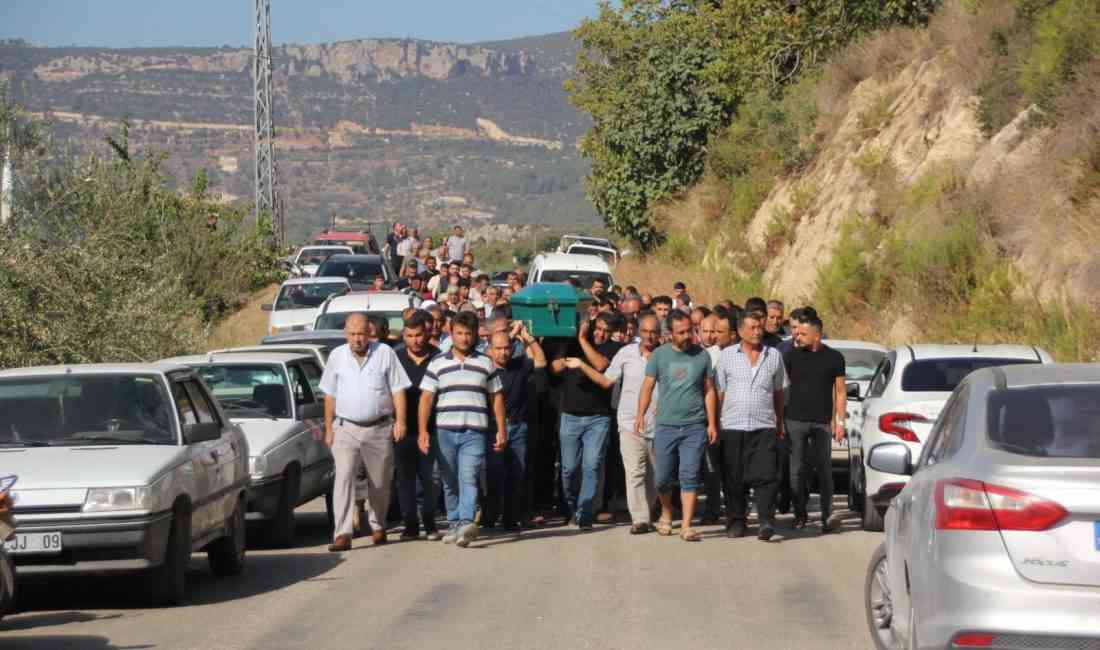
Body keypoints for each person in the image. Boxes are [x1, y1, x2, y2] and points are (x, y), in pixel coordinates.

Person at [320, 313, 411, 552]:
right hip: (345, 428)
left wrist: (400, 420)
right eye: (352, 334)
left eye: (362, 334)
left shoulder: (384, 354)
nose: (358, 339)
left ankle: (378, 524)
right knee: (343, 478)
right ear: (346, 334)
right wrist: (329, 428)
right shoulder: (337, 356)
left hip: (379, 428)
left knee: (380, 481)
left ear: (369, 332)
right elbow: (329, 395)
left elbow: (398, 389)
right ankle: (342, 533)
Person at [565, 313, 660, 534]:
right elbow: (606, 380)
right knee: (635, 471)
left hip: (659, 424)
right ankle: (640, 519)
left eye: (653, 332)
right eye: (645, 332)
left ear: (659, 333)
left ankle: (651, 507)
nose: (649, 336)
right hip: (629, 422)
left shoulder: (665, 355)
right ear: (638, 332)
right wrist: (581, 365)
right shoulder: (626, 353)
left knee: (656, 475)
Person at [418, 311, 507, 548]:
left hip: (474, 431)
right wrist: (422, 431)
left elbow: (496, 397)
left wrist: (501, 428)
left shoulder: (485, 362)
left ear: (475, 335)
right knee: (450, 480)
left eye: (469, 333)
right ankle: (455, 523)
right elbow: (426, 399)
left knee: (468, 476)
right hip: (445, 431)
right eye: (459, 333)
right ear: (451, 334)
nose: (464, 338)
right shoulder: (437, 363)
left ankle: (467, 522)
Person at [636, 310, 718, 542]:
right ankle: (666, 511)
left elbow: (709, 390)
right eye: (681, 332)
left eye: (690, 330)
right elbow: (647, 386)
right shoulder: (660, 356)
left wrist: (711, 423)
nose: (688, 335)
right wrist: (640, 414)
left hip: (694, 426)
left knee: (689, 475)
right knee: (662, 478)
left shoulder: (702, 356)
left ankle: (686, 526)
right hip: (666, 426)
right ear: (670, 333)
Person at [714, 310, 787, 541]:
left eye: (760, 327)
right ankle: (736, 521)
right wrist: (715, 422)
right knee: (733, 476)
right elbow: (719, 392)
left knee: (767, 475)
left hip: (764, 424)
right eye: (752, 328)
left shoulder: (773, 355)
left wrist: (779, 420)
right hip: (733, 425)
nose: (757, 332)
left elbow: (778, 392)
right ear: (740, 331)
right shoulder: (727, 356)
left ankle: (766, 520)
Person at [550, 313, 624, 529]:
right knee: (569, 469)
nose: (600, 334)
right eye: (598, 328)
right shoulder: (571, 342)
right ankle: (573, 507)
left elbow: (601, 366)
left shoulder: (613, 348)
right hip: (570, 416)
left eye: (606, 331)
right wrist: (567, 346)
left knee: (591, 466)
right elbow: (554, 368)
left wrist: (582, 345)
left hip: (598, 418)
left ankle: (585, 513)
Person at [783, 313, 846, 532]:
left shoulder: (835, 358)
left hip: (822, 423)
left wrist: (840, 423)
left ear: (817, 335)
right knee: (796, 469)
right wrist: (780, 419)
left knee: (824, 468)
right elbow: (782, 388)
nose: (797, 336)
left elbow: (840, 392)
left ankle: (827, 515)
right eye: (796, 332)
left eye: (802, 333)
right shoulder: (791, 356)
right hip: (795, 421)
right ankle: (800, 514)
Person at [484, 322, 547, 532]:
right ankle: (489, 517)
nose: (503, 353)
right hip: (492, 429)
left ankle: (511, 518)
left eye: (506, 348)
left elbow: (540, 360)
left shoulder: (520, 365)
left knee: (516, 475)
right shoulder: (484, 368)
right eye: (498, 349)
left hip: (518, 429)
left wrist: (528, 338)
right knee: (493, 476)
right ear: (490, 350)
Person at [393, 310, 442, 541]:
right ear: (404, 336)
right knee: (405, 479)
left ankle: (430, 522)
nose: (415, 340)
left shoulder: (439, 357)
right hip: (403, 429)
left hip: (432, 430)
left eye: (419, 335)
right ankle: (410, 524)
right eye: (410, 335)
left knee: (430, 478)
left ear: (427, 333)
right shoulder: (396, 358)